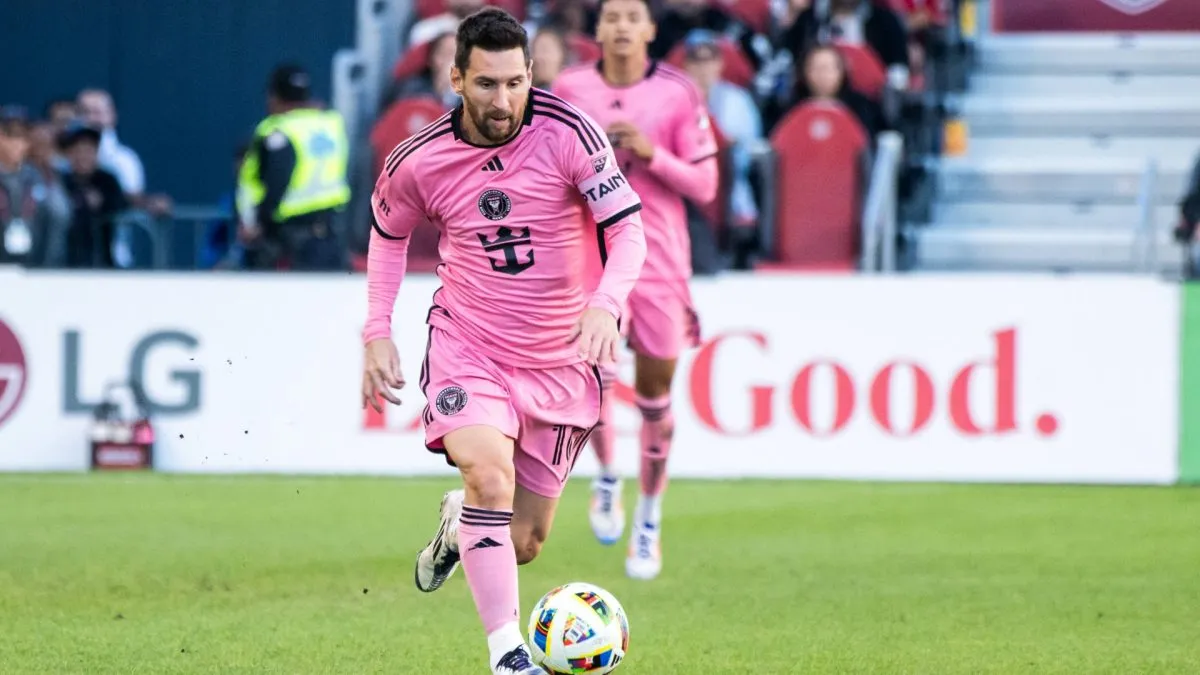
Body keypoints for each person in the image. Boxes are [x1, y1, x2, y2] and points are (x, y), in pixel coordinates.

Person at [361, 8, 645, 674]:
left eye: (516, 82)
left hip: (562, 359)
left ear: (531, 75)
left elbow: (628, 230)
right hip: (471, 346)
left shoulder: (569, 132)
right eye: (487, 84)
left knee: (523, 542)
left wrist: (606, 305)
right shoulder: (419, 160)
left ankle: (458, 523)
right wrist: (376, 331)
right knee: (489, 477)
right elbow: (388, 236)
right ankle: (507, 654)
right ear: (457, 78)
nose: (503, 100)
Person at [552, 0, 719, 580]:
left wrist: (652, 154)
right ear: (597, 28)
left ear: (649, 29)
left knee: (654, 393)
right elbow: (548, 170)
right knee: (593, 377)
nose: (622, 26)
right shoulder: (569, 90)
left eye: (632, 17)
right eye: (613, 16)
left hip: (659, 260)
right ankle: (605, 476)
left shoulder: (677, 93)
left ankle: (649, 516)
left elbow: (706, 184)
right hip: (590, 256)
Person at [236, 63, 351, 271]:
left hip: (290, 240)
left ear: (274, 96)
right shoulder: (330, 124)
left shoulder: (280, 131)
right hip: (330, 235)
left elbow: (277, 181)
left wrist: (260, 223)